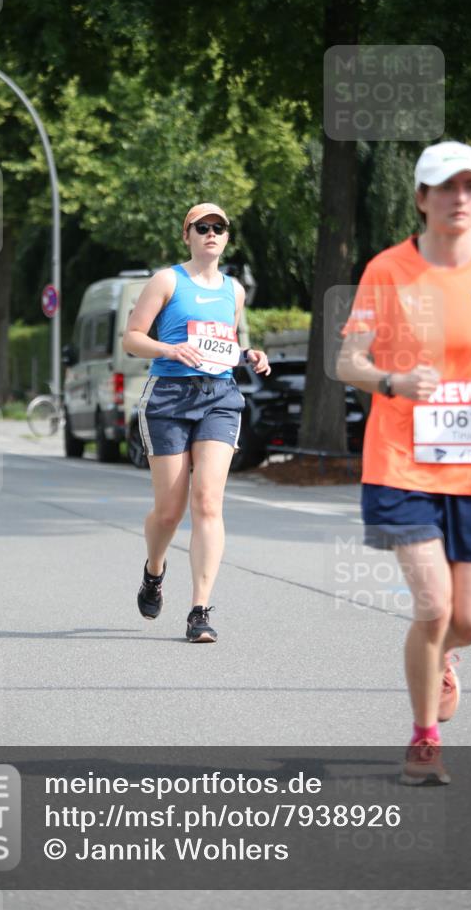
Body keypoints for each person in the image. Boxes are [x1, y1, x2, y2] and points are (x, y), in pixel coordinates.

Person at [337, 142, 471, 784]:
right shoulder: (387, 270)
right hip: (403, 462)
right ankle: (423, 740)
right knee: (436, 606)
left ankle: (442, 658)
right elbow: (347, 361)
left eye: (470, 187)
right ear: (421, 198)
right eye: (445, 188)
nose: (459, 198)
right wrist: (391, 382)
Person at [123, 202, 270, 643]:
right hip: (168, 397)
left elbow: (226, 344)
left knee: (208, 502)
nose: (211, 232)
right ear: (186, 235)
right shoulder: (168, 280)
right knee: (170, 511)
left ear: (227, 237)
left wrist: (250, 354)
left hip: (220, 399)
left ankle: (199, 611)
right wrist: (168, 350)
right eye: (201, 226)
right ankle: (154, 570)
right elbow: (132, 338)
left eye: (219, 227)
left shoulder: (235, 290)